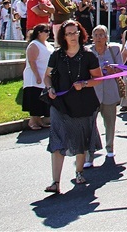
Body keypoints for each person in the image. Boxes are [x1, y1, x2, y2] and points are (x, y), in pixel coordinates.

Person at [43, 20, 103, 192]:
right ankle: (55, 182)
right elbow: (46, 76)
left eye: (75, 32)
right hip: (60, 104)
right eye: (68, 33)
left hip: (83, 104)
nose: (72, 36)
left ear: (80, 33)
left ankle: (79, 171)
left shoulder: (88, 55)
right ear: (63, 36)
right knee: (57, 140)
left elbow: (98, 79)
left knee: (80, 139)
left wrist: (84, 83)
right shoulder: (56, 55)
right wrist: (49, 88)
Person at [85, 25, 123, 164]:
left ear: (107, 37)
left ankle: (110, 148)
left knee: (110, 123)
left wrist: (112, 70)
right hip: (92, 93)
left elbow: (121, 69)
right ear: (92, 37)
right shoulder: (87, 52)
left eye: (102, 35)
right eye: (96, 35)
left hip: (109, 91)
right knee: (89, 125)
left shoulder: (114, 50)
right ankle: (90, 154)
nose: (99, 38)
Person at [22, 23, 53, 129]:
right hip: (34, 77)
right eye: (46, 31)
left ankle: (39, 120)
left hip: (45, 77)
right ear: (39, 33)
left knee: (41, 100)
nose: (48, 33)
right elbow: (32, 61)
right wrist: (37, 76)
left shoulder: (47, 44)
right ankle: (32, 121)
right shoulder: (34, 44)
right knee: (35, 98)